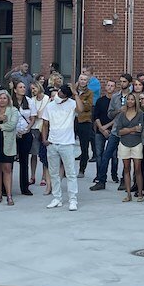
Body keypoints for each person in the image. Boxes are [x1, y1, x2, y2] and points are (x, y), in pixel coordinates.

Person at [42, 83, 81, 211]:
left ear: (67, 97)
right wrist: (44, 139)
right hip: (52, 143)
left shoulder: (71, 103)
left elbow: (81, 110)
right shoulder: (50, 106)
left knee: (70, 173)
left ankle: (73, 199)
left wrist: (75, 94)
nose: (59, 96)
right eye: (58, 93)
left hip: (67, 143)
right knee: (54, 173)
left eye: (62, 95)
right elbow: (45, 124)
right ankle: (57, 198)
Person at [113, 91, 144, 201]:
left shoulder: (140, 114)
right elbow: (118, 131)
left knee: (138, 169)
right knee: (126, 168)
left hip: (136, 143)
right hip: (124, 143)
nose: (130, 101)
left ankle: (140, 193)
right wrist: (132, 129)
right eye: (128, 99)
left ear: (135, 101)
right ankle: (128, 194)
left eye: (132, 99)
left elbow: (140, 130)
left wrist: (126, 130)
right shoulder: (122, 114)